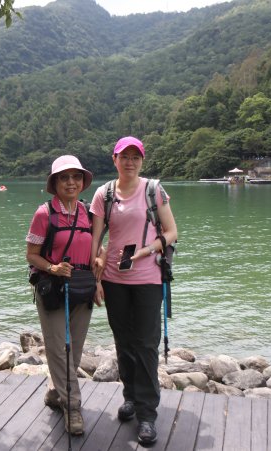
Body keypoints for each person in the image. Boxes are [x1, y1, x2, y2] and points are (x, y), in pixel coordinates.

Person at [89, 136, 178, 446]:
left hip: (148, 279)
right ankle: (130, 396)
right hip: (114, 280)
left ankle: (148, 414)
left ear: (142, 160)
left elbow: (171, 232)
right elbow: (95, 239)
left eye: (135, 157)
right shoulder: (104, 194)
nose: (130, 162)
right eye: (124, 156)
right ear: (114, 159)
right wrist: (96, 278)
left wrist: (147, 250)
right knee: (123, 342)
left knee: (145, 345)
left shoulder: (153, 190)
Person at [26, 155, 103, 435]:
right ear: (55, 182)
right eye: (64, 177)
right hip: (53, 290)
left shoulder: (89, 213)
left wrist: (100, 271)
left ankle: (55, 391)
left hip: (82, 288)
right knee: (59, 349)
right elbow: (31, 255)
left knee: (75, 350)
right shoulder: (44, 214)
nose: (71, 182)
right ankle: (72, 406)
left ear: (82, 181)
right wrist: (53, 267)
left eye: (76, 176)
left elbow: (97, 249)